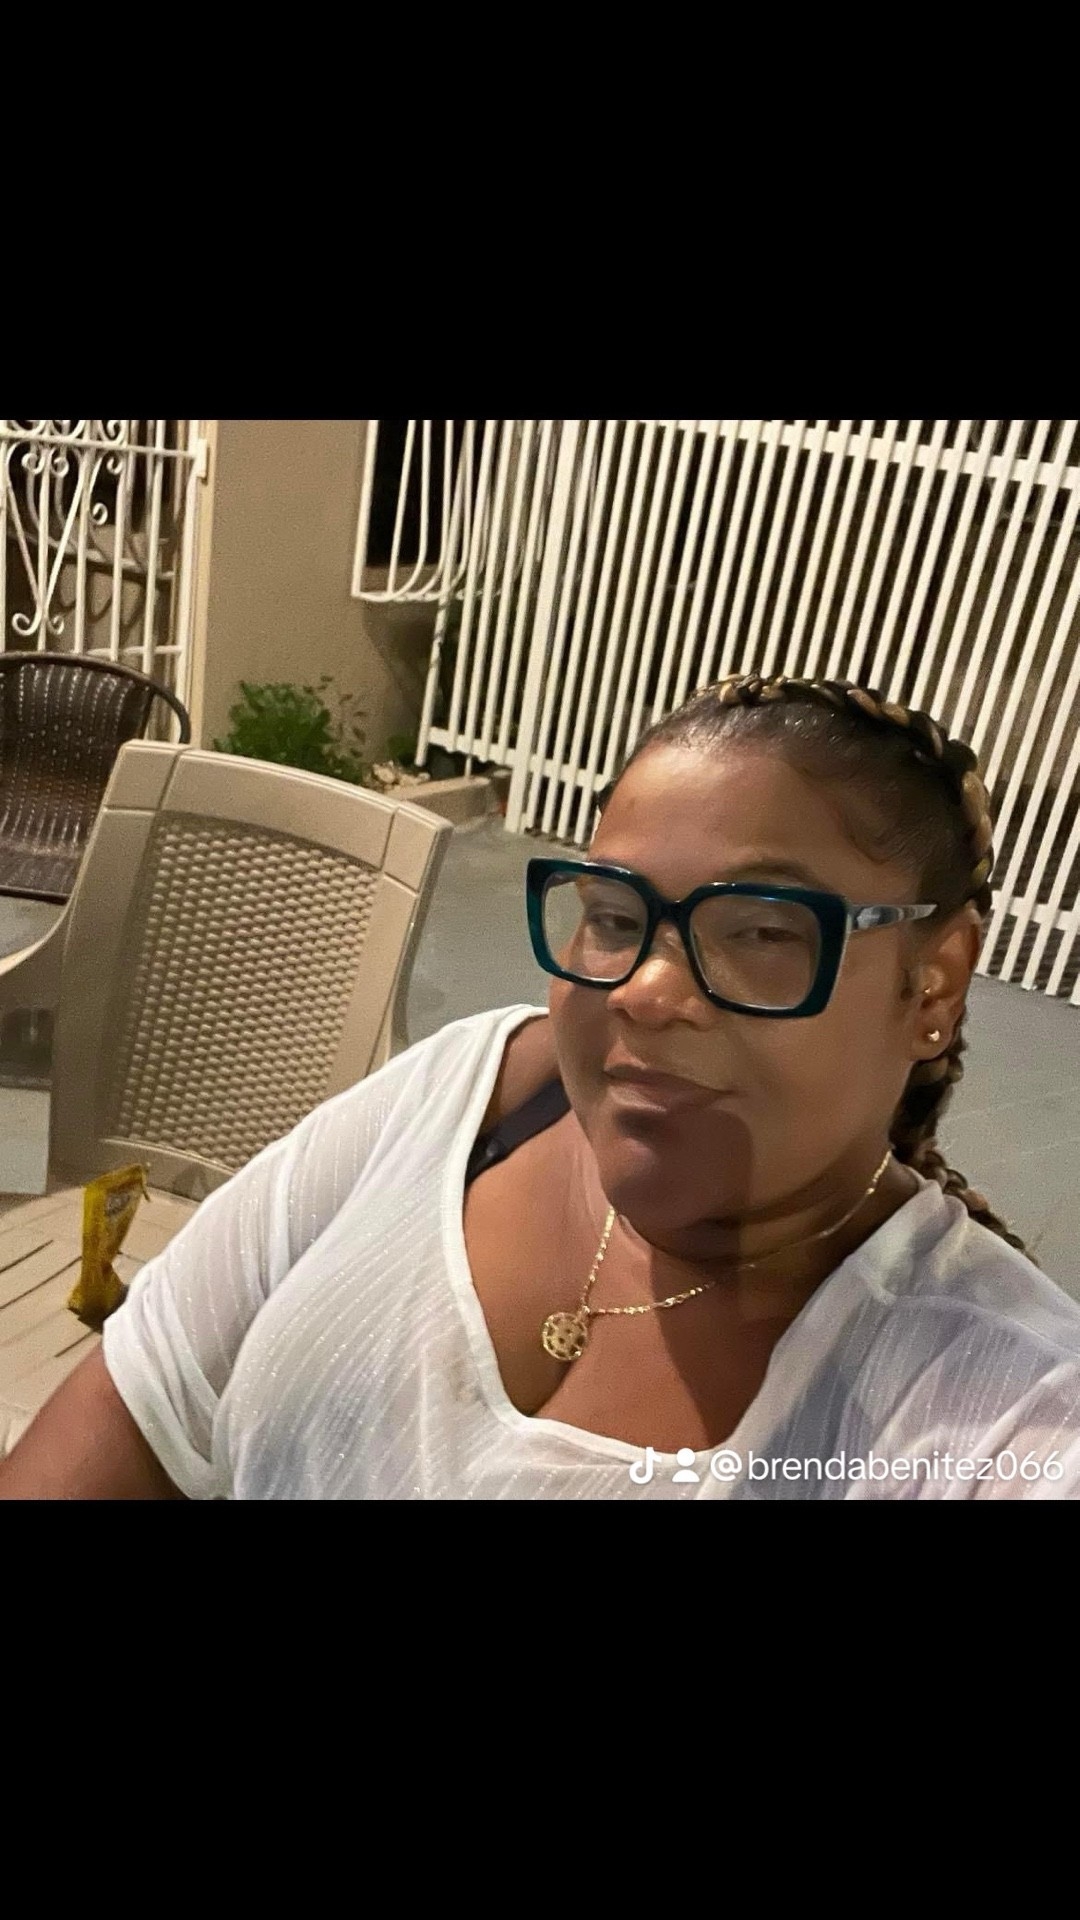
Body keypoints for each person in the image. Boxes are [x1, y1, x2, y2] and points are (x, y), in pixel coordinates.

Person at [2, 670, 1078, 1500]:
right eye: (613, 916)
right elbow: (134, 1415)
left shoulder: (1006, 1417)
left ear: (934, 983)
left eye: (760, 931)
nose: (646, 990)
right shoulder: (463, 1100)